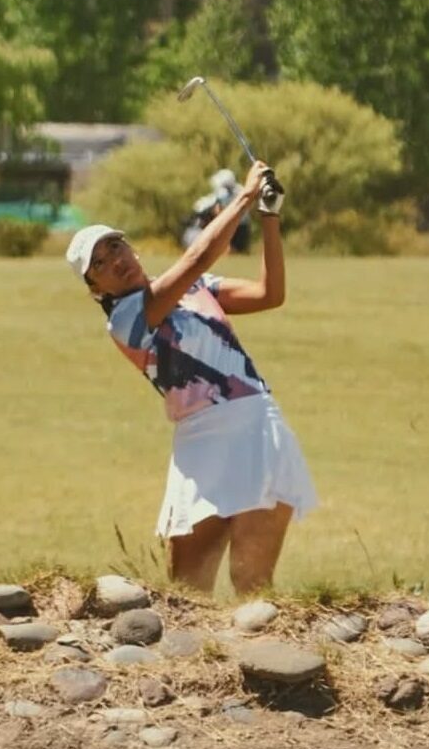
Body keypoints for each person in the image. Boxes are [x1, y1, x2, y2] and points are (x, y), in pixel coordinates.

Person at [66, 160, 318, 594]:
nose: (116, 261)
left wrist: (269, 218)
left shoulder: (196, 288)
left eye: (116, 247)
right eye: (101, 264)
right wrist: (243, 196)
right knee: (186, 590)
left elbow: (269, 294)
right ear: (96, 290)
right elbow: (198, 256)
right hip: (199, 439)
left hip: (255, 425)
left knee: (251, 581)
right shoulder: (126, 319)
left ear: (132, 249)